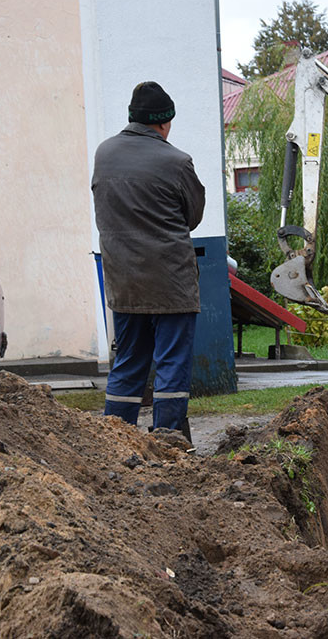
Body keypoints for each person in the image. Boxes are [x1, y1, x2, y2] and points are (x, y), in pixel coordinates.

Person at [92, 81, 205, 442]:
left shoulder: (104, 154)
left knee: (128, 363)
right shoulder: (176, 161)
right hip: (171, 283)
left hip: (124, 281)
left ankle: (116, 441)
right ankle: (168, 440)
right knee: (171, 364)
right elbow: (193, 214)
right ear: (164, 122)